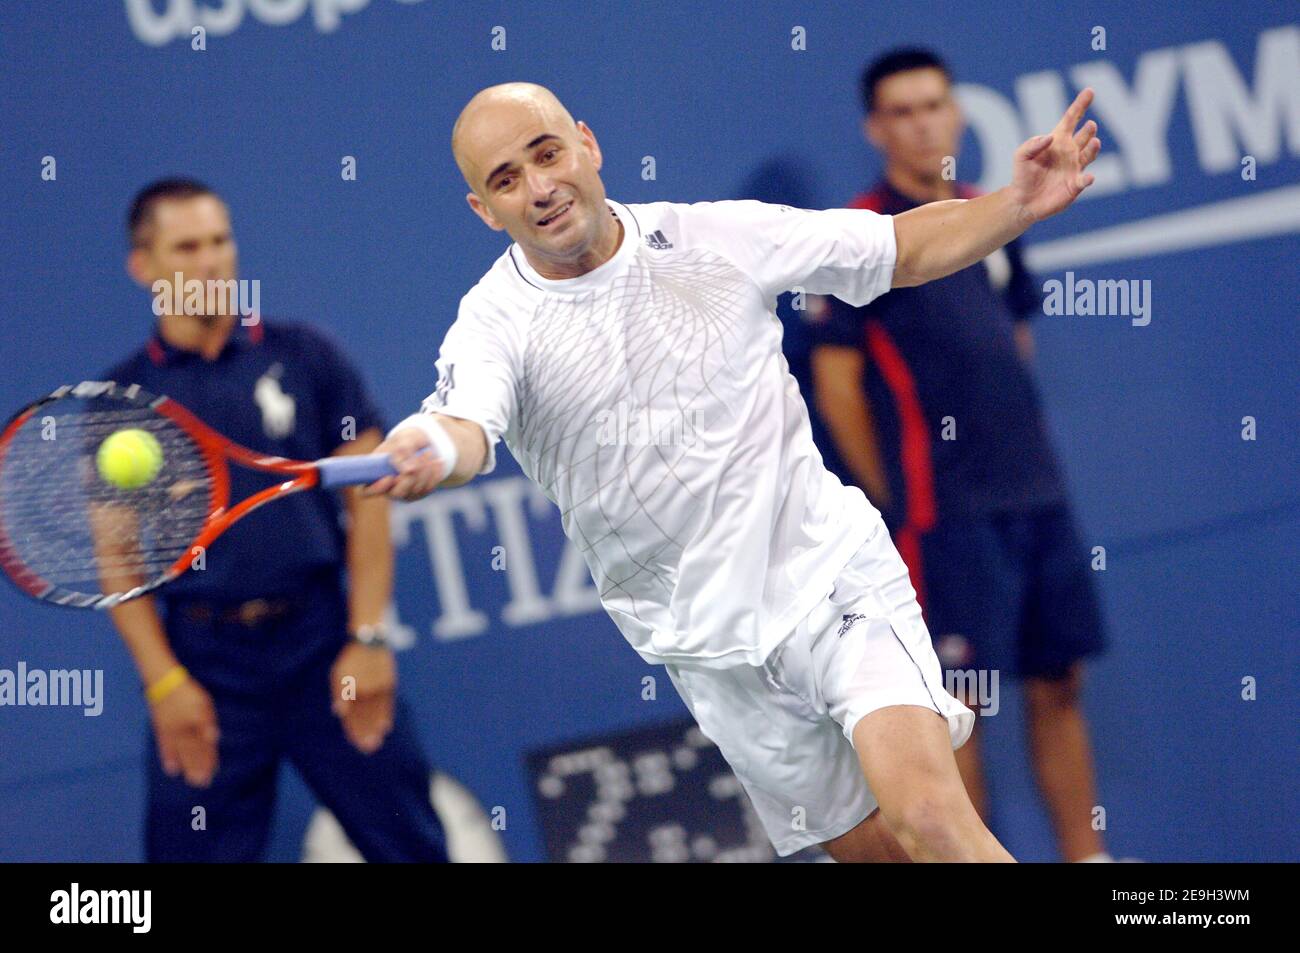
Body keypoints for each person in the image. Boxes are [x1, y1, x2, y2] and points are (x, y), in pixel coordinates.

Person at [367, 82, 1102, 862]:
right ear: (484, 209)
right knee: (877, 853)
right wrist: (436, 447)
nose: (541, 187)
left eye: (547, 153)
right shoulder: (492, 324)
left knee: (928, 816)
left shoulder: (714, 237)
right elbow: (464, 424)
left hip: (830, 578)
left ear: (587, 143)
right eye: (507, 179)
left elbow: (900, 247)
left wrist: (1015, 204)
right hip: (713, 653)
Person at [808, 49, 1115, 862]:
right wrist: (898, 495)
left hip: (1036, 495)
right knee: (956, 708)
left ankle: (1091, 862)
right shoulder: (862, 239)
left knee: (1061, 681)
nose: (922, 123)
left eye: (934, 105)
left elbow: (1013, 342)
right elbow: (836, 383)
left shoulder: (998, 212)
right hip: (942, 516)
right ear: (876, 129)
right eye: (902, 111)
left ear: (960, 112)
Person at [104, 178, 448, 862]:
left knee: (412, 846)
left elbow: (370, 495)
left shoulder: (306, 355)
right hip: (206, 670)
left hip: (323, 643)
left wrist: (369, 634)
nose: (211, 262)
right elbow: (117, 557)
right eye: (186, 246)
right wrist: (165, 681)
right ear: (143, 266)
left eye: (220, 240)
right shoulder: (125, 402)